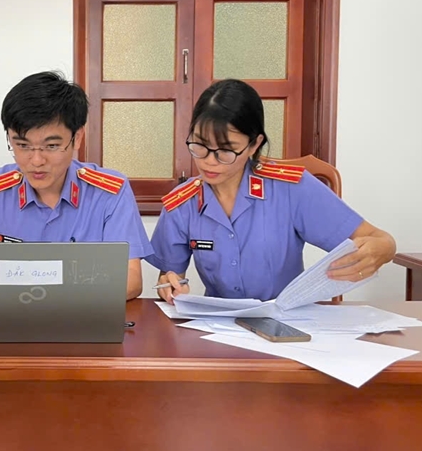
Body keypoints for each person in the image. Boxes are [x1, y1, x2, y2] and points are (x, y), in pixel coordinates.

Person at [148, 79, 396, 303]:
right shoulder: (182, 203)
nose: (209, 161)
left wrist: (383, 249)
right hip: (218, 327)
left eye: (226, 150)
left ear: (254, 144)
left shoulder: (291, 189)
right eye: (200, 145)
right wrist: (169, 285)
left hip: (288, 323)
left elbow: (378, 239)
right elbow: (169, 276)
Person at [0, 71, 153, 300]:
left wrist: (48, 300)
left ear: (77, 138)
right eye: (23, 145)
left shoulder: (110, 193)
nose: (37, 160)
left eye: (51, 146)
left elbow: (130, 279)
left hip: (83, 317)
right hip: (8, 316)